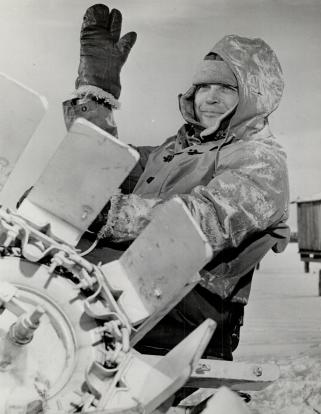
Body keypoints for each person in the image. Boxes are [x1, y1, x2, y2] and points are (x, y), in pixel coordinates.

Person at [63, 4, 290, 361]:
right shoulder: (172, 152)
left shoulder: (261, 160)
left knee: (57, 297)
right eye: (204, 87)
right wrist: (95, 93)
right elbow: (97, 167)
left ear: (254, 95)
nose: (211, 97)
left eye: (226, 88)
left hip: (194, 308)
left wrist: (109, 213)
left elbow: (203, 220)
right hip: (143, 284)